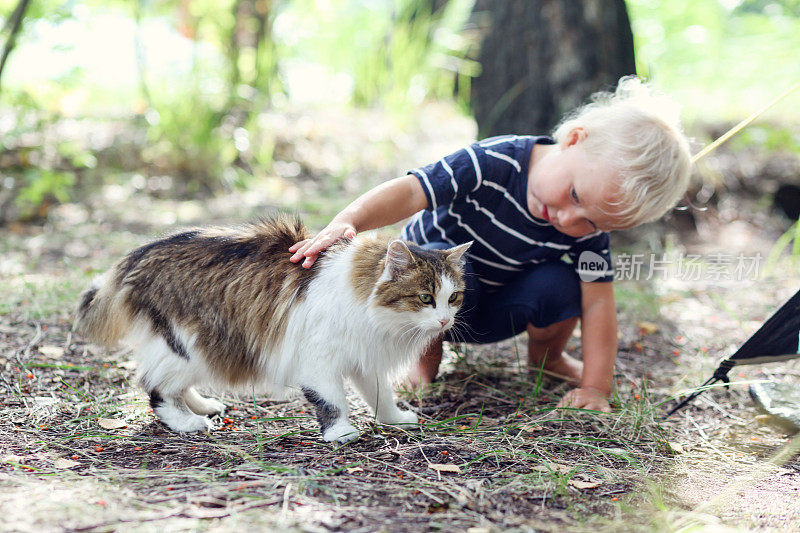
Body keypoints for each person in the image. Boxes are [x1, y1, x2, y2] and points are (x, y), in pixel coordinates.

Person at [288, 77, 693, 412]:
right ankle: (422, 361)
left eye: (593, 222)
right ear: (573, 139)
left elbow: (599, 303)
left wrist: (596, 388)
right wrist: (348, 221)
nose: (571, 221)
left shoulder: (587, 236)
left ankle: (547, 360)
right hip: (432, 303)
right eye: (574, 195)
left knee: (564, 281)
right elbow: (411, 192)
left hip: (498, 312)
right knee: (442, 259)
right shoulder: (494, 161)